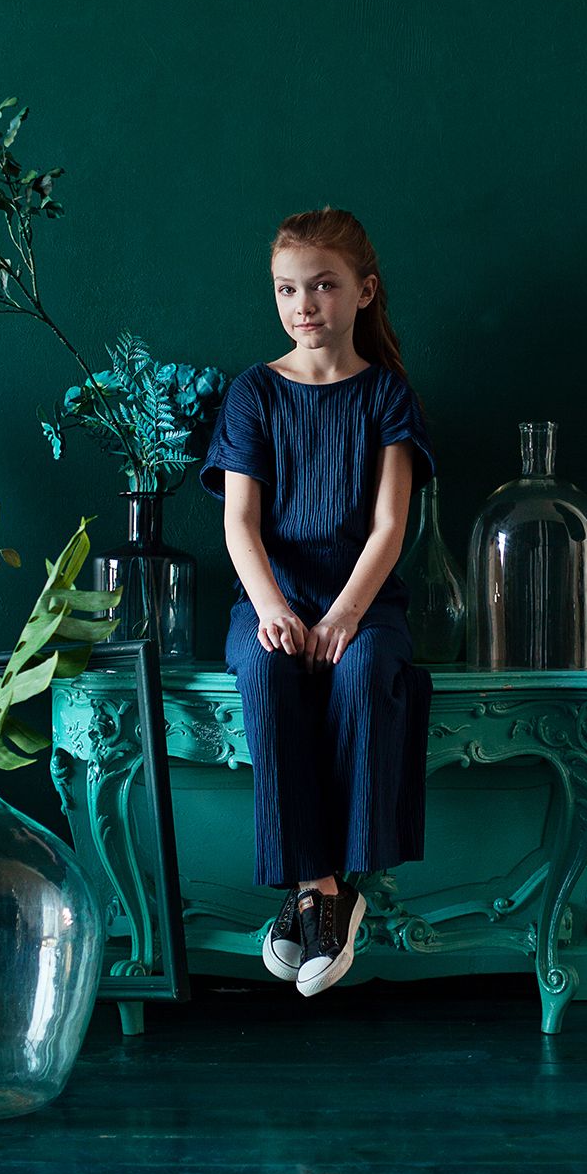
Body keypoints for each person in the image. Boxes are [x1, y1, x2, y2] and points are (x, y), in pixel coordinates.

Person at [199, 206, 435, 999]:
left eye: (323, 286)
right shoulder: (254, 393)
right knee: (267, 673)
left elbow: (391, 525)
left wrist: (344, 615)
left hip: (365, 604)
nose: (303, 304)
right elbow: (239, 523)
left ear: (364, 291)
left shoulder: (387, 394)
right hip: (270, 598)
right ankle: (320, 890)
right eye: (287, 289)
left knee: (364, 672)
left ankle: (325, 894)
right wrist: (273, 609)